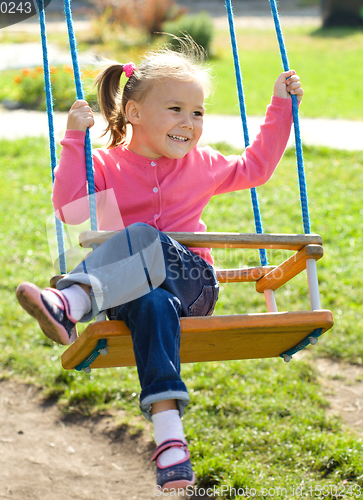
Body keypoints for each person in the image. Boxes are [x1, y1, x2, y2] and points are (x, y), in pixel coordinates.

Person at [16, 40, 303, 491]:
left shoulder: (203, 164)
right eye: (175, 109)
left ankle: (70, 301)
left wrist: (281, 105)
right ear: (133, 112)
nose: (189, 123)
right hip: (129, 296)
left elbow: (258, 166)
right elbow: (70, 205)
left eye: (198, 113)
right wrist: (74, 138)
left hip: (194, 284)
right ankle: (170, 440)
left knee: (147, 239)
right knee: (150, 303)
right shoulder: (107, 165)